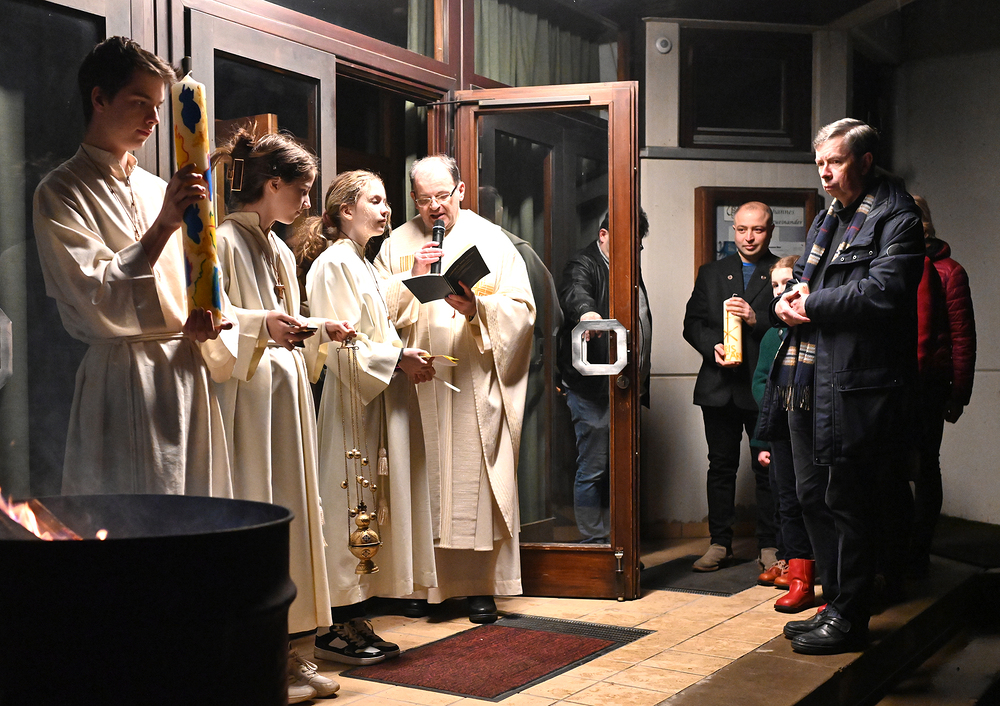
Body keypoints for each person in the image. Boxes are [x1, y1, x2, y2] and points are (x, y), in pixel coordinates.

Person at [32, 36, 232, 496]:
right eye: (140, 103)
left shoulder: (157, 187)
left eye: (158, 106)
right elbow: (97, 294)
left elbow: (200, 283)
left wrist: (210, 321)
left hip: (185, 372)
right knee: (130, 519)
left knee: (197, 516)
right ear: (99, 99)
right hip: (122, 381)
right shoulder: (59, 192)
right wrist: (163, 225)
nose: (155, 119)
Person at [208, 130, 353, 702]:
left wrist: (318, 327)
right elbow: (217, 319)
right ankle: (257, 659)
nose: (308, 203)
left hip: (286, 398)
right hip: (249, 401)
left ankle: (292, 652)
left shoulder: (280, 249)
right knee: (260, 506)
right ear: (271, 184)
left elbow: (285, 318)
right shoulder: (221, 241)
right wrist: (263, 327)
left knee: (294, 515)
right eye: (302, 189)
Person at [772, 119, 924, 655]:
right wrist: (789, 299)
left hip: (855, 385)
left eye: (834, 162)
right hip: (809, 378)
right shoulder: (828, 217)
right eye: (819, 163)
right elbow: (804, 282)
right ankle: (834, 605)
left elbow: (884, 291)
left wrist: (810, 305)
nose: (825, 173)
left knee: (848, 499)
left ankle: (852, 615)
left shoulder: (897, 217)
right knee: (813, 495)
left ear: (864, 160)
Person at [373, 154, 535, 623]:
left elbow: (522, 310)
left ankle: (478, 587)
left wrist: (476, 309)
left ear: (461, 190)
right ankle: (421, 584)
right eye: (424, 200)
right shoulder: (396, 243)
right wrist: (409, 279)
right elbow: (374, 306)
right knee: (421, 479)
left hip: (472, 380)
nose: (434, 208)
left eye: (442, 196)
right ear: (414, 199)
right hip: (418, 385)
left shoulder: (492, 239)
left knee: (472, 484)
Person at [296, 170, 437, 664]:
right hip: (350, 403)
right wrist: (398, 359)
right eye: (375, 201)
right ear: (345, 210)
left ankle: (355, 616)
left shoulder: (360, 260)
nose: (386, 210)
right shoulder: (334, 262)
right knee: (346, 504)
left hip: (374, 398)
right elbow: (342, 344)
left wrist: (413, 278)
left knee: (368, 506)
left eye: (386, 201)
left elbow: (376, 312)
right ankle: (332, 625)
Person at [682, 201, 778, 572]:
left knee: (768, 469)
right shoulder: (711, 272)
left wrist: (757, 318)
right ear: (733, 230)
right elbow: (692, 323)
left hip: (762, 388)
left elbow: (795, 323)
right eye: (741, 229)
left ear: (769, 231)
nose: (749, 237)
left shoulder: (784, 271)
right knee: (720, 468)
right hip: (718, 386)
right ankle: (719, 543)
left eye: (757, 229)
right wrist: (713, 347)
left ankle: (769, 545)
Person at [557, 210, 652, 544]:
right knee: (594, 468)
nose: (633, 250)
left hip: (625, 386)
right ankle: (595, 544)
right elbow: (576, 292)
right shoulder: (584, 263)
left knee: (622, 467)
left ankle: (619, 542)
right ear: (603, 235)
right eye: (626, 242)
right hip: (594, 389)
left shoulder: (626, 264)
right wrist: (588, 313)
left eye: (637, 244)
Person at [910, 194, 976, 576]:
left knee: (924, 465)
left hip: (929, 384)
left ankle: (919, 551)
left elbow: (962, 337)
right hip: (891, 382)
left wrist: (959, 393)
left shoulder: (949, 270)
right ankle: (899, 549)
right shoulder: (886, 263)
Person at [751, 256, 819, 613]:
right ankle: (797, 575)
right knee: (786, 499)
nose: (781, 291)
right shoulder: (771, 336)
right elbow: (761, 383)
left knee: (812, 498)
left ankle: (817, 568)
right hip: (780, 425)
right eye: (775, 285)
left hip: (810, 424)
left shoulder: (813, 328)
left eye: (787, 283)